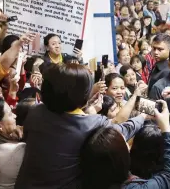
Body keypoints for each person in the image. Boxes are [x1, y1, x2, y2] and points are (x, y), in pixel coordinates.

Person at [15, 63, 149, 188]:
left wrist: (84, 104)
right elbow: (123, 128)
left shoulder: (35, 112)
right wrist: (143, 116)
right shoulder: (90, 124)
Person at [80, 100, 170, 189]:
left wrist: (143, 116)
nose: (129, 145)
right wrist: (166, 127)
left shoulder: (86, 178)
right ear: (120, 158)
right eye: (125, 142)